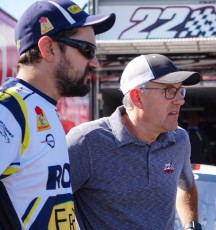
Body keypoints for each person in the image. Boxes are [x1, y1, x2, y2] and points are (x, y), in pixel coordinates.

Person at [0, 0, 115, 229]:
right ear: (48, 48)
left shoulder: (41, 107)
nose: (95, 62)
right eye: (87, 51)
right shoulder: (10, 110)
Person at [67, 54, 202, 230]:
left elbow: (187, 185)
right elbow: (46, 202)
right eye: (170, 91)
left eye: (180, 90)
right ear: (137, 97)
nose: (180, 100)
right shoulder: (86, 142)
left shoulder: (179, 140)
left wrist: (191, 226)